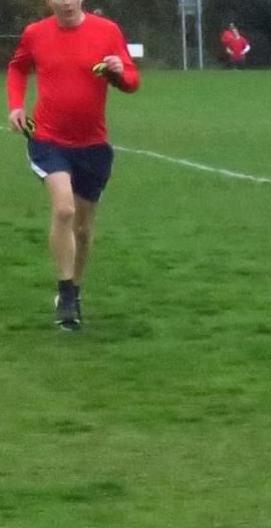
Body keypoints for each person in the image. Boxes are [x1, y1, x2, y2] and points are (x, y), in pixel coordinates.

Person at [6, 0, 140, 331]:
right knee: (63, 209)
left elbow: (131, 81)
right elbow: (18, 67)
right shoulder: (35, 33)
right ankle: (65, 294)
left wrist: (119, 72)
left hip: (93, 144)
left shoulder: (106, 31)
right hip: (45, 136)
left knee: (82, 227)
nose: (65, 2)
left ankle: (75, 289)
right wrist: (15, 106)